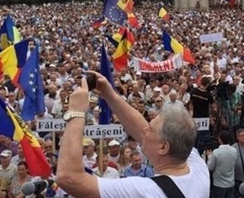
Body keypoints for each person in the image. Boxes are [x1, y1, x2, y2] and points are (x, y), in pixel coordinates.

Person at [56, 72, 210, 197]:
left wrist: (76, 112)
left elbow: (68, 177)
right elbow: (142, 130)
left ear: (163, 148)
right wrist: (110, 95)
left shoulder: (144, 191)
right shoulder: (198, 168)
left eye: (150, 129)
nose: (144, 130)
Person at [206, 130, 237, 198]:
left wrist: (209, 156)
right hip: (231, 183)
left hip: (219, 185)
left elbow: (210, 167)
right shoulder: (234, 151)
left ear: (220, 139)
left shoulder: (216, 152)